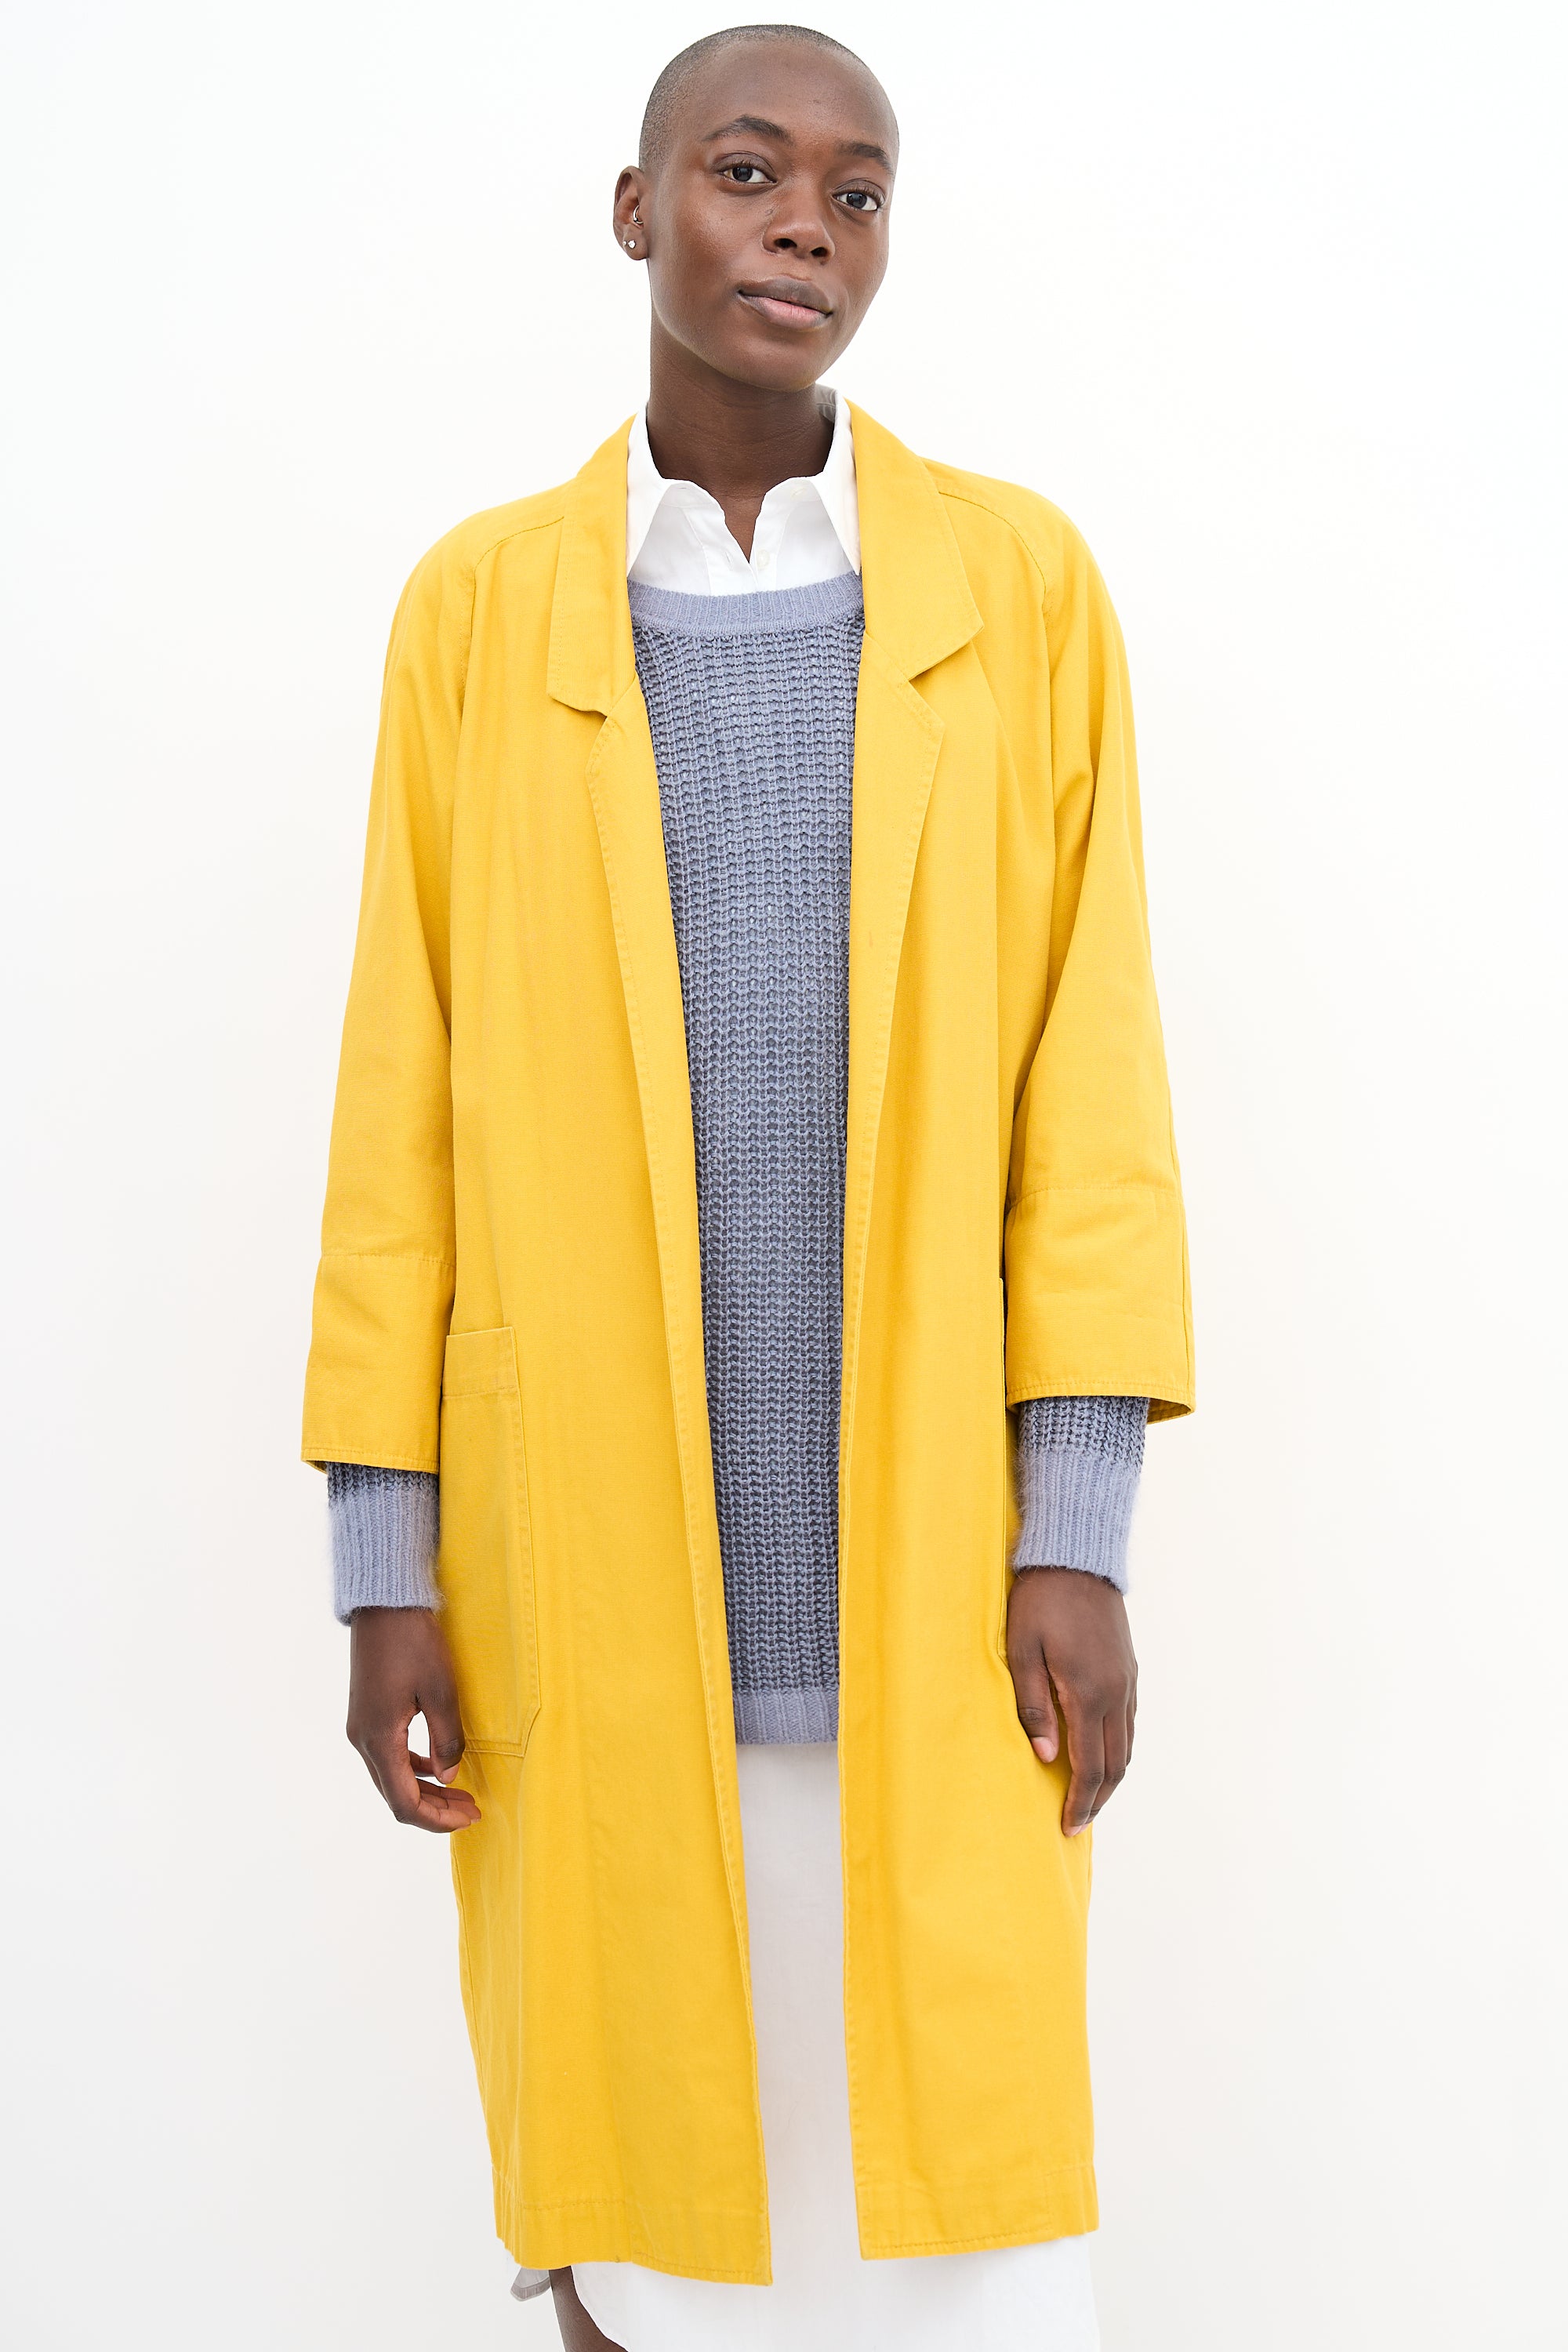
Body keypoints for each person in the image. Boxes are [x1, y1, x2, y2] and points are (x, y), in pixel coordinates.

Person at [302, 24, 1192, 2350]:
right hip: (584, 1568)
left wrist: (1078, 1528)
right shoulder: (479, 614)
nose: (807, 222)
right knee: (636, 2224)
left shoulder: (1019, 591)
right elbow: (401, 1109)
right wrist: (386, 1563)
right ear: (637, 210)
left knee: (973, 2255)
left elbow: (1091, 1094)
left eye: (858, 192)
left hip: (940, 1581)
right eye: (748, 168)